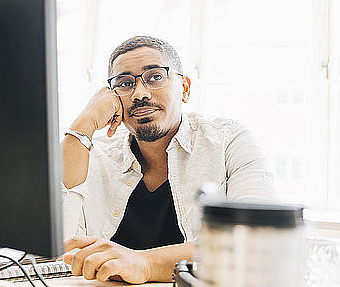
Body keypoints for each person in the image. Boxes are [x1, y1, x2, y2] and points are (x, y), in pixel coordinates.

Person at [62, 36, 277, 284]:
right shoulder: (94, 155)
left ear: (184, 89)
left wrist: (145, 264)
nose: (139, 93)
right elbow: (57, 247)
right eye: (124, 83)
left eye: (155, 77)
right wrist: (83, 125)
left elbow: (259, 242)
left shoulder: (229, 140)